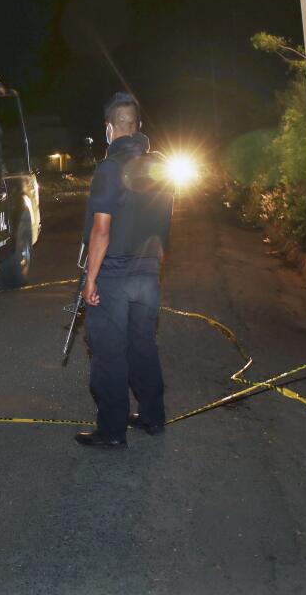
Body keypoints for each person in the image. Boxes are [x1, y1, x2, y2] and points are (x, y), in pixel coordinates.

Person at [75, 92, 174, 449]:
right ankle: (152, 416)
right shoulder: (159, 166)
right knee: (143, 347)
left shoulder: (109, 168)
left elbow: (101, 228)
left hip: (113, 276)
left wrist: (90, 280)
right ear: (138, 127)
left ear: (108, 128)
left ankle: (112, 430)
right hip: (148, 276)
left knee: (109, 354)